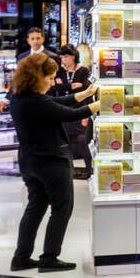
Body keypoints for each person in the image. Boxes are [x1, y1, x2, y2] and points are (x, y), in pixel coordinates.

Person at [8, 54, 100, 273]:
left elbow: (57, 103)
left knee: (35, 207)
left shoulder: (20, 97)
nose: (52, 82)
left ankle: (21, 257)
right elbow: (70, 114)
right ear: (36, 77)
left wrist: (85, 94)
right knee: (62, 208)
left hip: (30, 161)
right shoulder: (37, 102)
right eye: (49, 78)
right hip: (51, 162)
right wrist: (101, 103)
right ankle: (49, 257)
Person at [54, 45, 94, 180]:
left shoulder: (83, 71)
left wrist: (68, 87)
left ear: (73, 56)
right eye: (62, 57)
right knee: (67, 142)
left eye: (66, 56)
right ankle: (70, 170)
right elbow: (57, 87)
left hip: (79, 109)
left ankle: (89, 168)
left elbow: (86, 89)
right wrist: (73, 86)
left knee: (82, 140)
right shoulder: (59, 71)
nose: (64, 60)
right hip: (64, 110)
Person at [0, 28, 59, 113]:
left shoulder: (53, 57)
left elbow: (57, 82)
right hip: (26, 103)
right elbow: (18, 80)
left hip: (46, 102)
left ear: (43, 39)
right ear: (28, 40)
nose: (35, 41)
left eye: (38, 38)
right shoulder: (22, 57)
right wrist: (6, 99)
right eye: (32, 39)